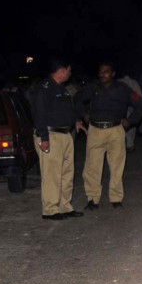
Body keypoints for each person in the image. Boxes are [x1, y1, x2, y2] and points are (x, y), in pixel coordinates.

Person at [79, 61, 142, 210]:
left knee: (117, 166)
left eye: (106, 71)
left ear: (113, 74)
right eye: (101, 71)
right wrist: (83, 114)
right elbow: (77, 100)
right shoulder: (92, 87)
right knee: (92, 167)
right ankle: (92, 199)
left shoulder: (123, 89)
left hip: (115, 130)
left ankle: (116, 198)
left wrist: (130, 121)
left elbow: (141, 104)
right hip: (95, 131)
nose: (103, 74)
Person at [30, 58, 86, 220]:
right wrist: (44, 138)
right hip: (50, 135)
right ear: (61, 71)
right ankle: (50, 209)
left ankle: (64, 206)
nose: (70, 73)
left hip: (65, 135)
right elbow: (39, 114)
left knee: (67, 173)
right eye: (68, 70)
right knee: (52, 174)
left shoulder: (62, 89)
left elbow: (68, 110)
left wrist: (76, 121)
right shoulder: (44, 89)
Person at [119, 71, 142, 152]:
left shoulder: (118, 82)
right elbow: (140, 96)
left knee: (120, 125)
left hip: (120, 107)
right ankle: (130, 145)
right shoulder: (134, 82)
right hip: (132, 107)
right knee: (131, 126)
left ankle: (123, 144)